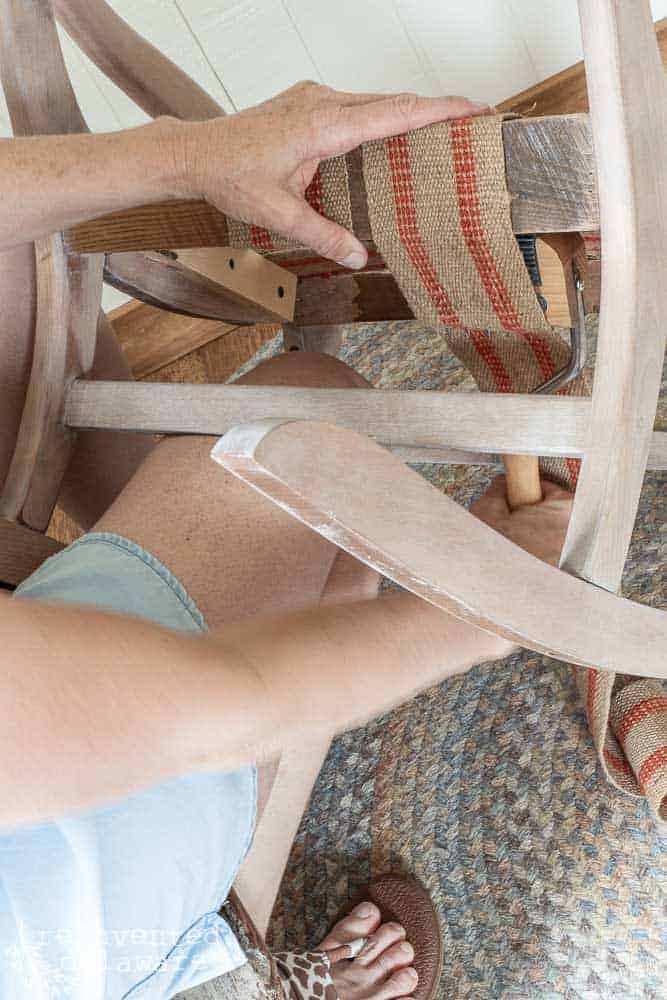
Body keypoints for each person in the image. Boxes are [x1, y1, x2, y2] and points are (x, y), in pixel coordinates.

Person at [0, 82, 574, 999]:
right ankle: (239, 961)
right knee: (310, 420)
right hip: (93, 922)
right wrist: (480, 608)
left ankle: (238, 962)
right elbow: (231, 694)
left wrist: (187, 153)